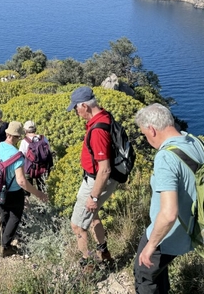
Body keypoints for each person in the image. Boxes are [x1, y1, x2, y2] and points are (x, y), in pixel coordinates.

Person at [133, 103, 204, 294]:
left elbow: (168, 214)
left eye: (145, 134)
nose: (147, 139)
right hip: (195, 227)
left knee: (144, 275)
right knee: (158, 272)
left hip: (168, 235)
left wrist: (151, 245)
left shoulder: (166, 157)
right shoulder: (196, 143)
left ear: (152, 129)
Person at [67, 86, 118, 271]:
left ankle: (88, 265)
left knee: (78, 226)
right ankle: (104, 253)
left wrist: (94, 197)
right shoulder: (105, 115)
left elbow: (104, 169)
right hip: (100, 179)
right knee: (93, 216)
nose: (75, 111)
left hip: (96, 181)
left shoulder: (97, 130)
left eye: (75, 108)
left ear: (84, 106)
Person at [0, 121, 49, 257]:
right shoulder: (17, 156)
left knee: (4, 213)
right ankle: (5, 246)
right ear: (18, 137)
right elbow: (21, 181)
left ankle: (4, 235)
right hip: (13, 192)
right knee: (15, 216)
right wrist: (38, 193)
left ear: (7, 134)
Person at [19, 120, 52, 192]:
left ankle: (27, 200)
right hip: (42, 168)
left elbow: (21, 155)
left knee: (27, 189)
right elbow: (48, 151)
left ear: (25, 130)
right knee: (43, 189)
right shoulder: (43, 138)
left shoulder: (24, 141)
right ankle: (44, 200)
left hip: (29, 168)